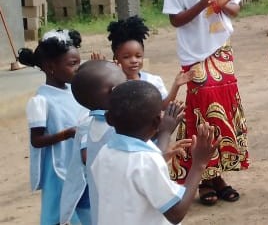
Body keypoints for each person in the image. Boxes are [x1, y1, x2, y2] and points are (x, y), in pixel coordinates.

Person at [163, 0, 249, 206]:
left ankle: (217, 175)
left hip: (222, 48)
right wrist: (202, 3)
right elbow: (175, 19)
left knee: (223, 110)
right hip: (195, 53)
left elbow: (236, 10)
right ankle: (201, 179)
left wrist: (223, 4)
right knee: (201, 112)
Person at [90, 80, 218, 225]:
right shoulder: (147, 161)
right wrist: (199, 164)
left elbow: (140, 173)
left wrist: (165, 133)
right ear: (157, 121)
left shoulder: (105, 152)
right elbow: (176, 213)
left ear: (109, 119)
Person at [18, 29, 87, 225]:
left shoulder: (74, 92)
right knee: (58, 211)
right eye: (72, 64)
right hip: (57, 168)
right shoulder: (41, 101)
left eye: (78, 63)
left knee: (79, 206)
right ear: (50, 67)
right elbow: (37, 140)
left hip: (76, 161)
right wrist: (66, 134)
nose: (77, 68)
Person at [60, 60, 126, 225]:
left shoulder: (90, 123)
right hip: (109, 203)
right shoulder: (117, 126)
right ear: (114, 91)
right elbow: (86, 157)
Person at [106, 15, 192, 103]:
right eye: (126, 57)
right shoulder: (112, 85)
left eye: (138, 56)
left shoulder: (153, 81)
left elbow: (162, 106)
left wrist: (176, 85)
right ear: (116, 58)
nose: (134, 60)